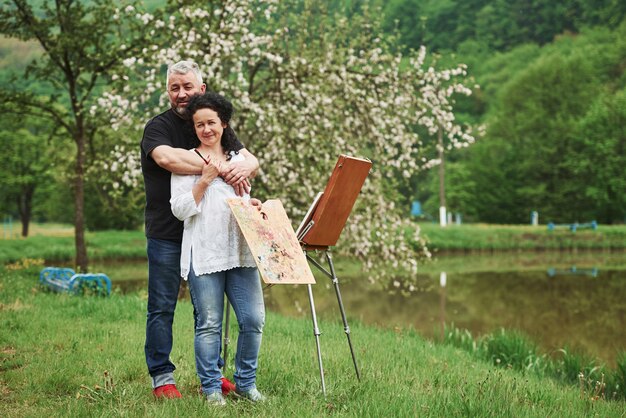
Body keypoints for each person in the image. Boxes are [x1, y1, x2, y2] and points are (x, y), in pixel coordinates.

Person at [140, 60, 259, 399]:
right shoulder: (157, 127)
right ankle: (162, 377)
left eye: (187, 87)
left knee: (207, 312)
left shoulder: (208, 121)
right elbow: (168, 160)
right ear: (167, 91)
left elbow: (250, 161)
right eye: (174, 88)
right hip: (167, 231)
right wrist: (223, 167)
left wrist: (242, 166)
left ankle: (214, 377)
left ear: (201, 89)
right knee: (162, 306)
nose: (181, 94)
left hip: (208, 233)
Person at [170, 92, 267, 406]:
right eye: (199, 124)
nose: (206, 129)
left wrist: (251, 205)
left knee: (253, 320)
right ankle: (212, 389)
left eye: (211, 122)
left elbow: (238, 201)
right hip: (205, 253)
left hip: (240, 252)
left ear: (223, 123)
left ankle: (245, 385)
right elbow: (180, 209)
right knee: (209, 323)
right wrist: (204, 179)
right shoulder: (188, 161)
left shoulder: (240, 162)